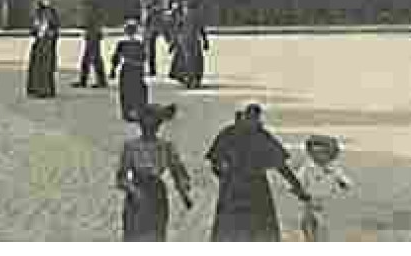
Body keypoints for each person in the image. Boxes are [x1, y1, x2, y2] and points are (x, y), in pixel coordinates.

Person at [205, 103, 312, 241]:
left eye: (254, 119)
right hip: (249, 189)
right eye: (250, 118)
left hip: (240, 189)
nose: (252, 122)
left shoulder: (234, 133)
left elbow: (281, 166)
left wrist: (298, 188)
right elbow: (215, 161)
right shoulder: (252, 135)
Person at [115, 103, 194, 241]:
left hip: (157, 195)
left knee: (156, 234)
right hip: (136, 195)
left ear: (158, 126)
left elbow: (178, 171)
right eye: (146, 126)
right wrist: (133, 190)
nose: (149, 129)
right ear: (140, 126)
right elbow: (121, 177)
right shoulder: (131, 147)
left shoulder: (166, 147)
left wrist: (184, 193)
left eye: (153, 125)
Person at [292, 135, 353, 241]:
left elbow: (345, 181)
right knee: (308, 223)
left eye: (322, 153)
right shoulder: (307, 168)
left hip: (327, 201)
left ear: (331, 154)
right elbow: (296, 181)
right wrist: (298, 190)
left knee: (323, 227)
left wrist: (343, 183)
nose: (318, 157)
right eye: (314, 153)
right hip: (310, 200)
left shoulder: (333, 168)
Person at [110, 20, 150, 121]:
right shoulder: (140, 42)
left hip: (127, 67)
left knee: (125, 91)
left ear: (126, 30)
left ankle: (127, 113)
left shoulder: (122, 43)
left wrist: (113, 70)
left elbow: (116, 57)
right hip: (137, 68)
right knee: (138, 91)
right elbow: (144, 57)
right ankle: (139, 111)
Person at [26, 0, 61, 98]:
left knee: (44, 67)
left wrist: (50, 34)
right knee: (37, 66)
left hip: (47, 43)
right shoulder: (38, 14)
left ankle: (45, 90)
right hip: (40, 42)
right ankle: (36, 88)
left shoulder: (50, 13)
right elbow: (33, 29)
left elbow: (54, 28)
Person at [172, 2, 210, 89]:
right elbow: (201, 29)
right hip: (192, 40)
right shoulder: (195, 16)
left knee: (188, 61)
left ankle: (190, 80)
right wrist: (205, 40)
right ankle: (193, 80)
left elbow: (177, 29)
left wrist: (174, 42)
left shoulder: (183, 16)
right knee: (194, 61)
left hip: (185, 41)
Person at [75, 7, 107, 88]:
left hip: (93, 37)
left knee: (95, 59)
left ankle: (100, 81)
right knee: (89, 59)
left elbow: (96, 25)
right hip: (92, 36)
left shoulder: (94, 13)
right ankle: (84, 80)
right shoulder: (92, 13)